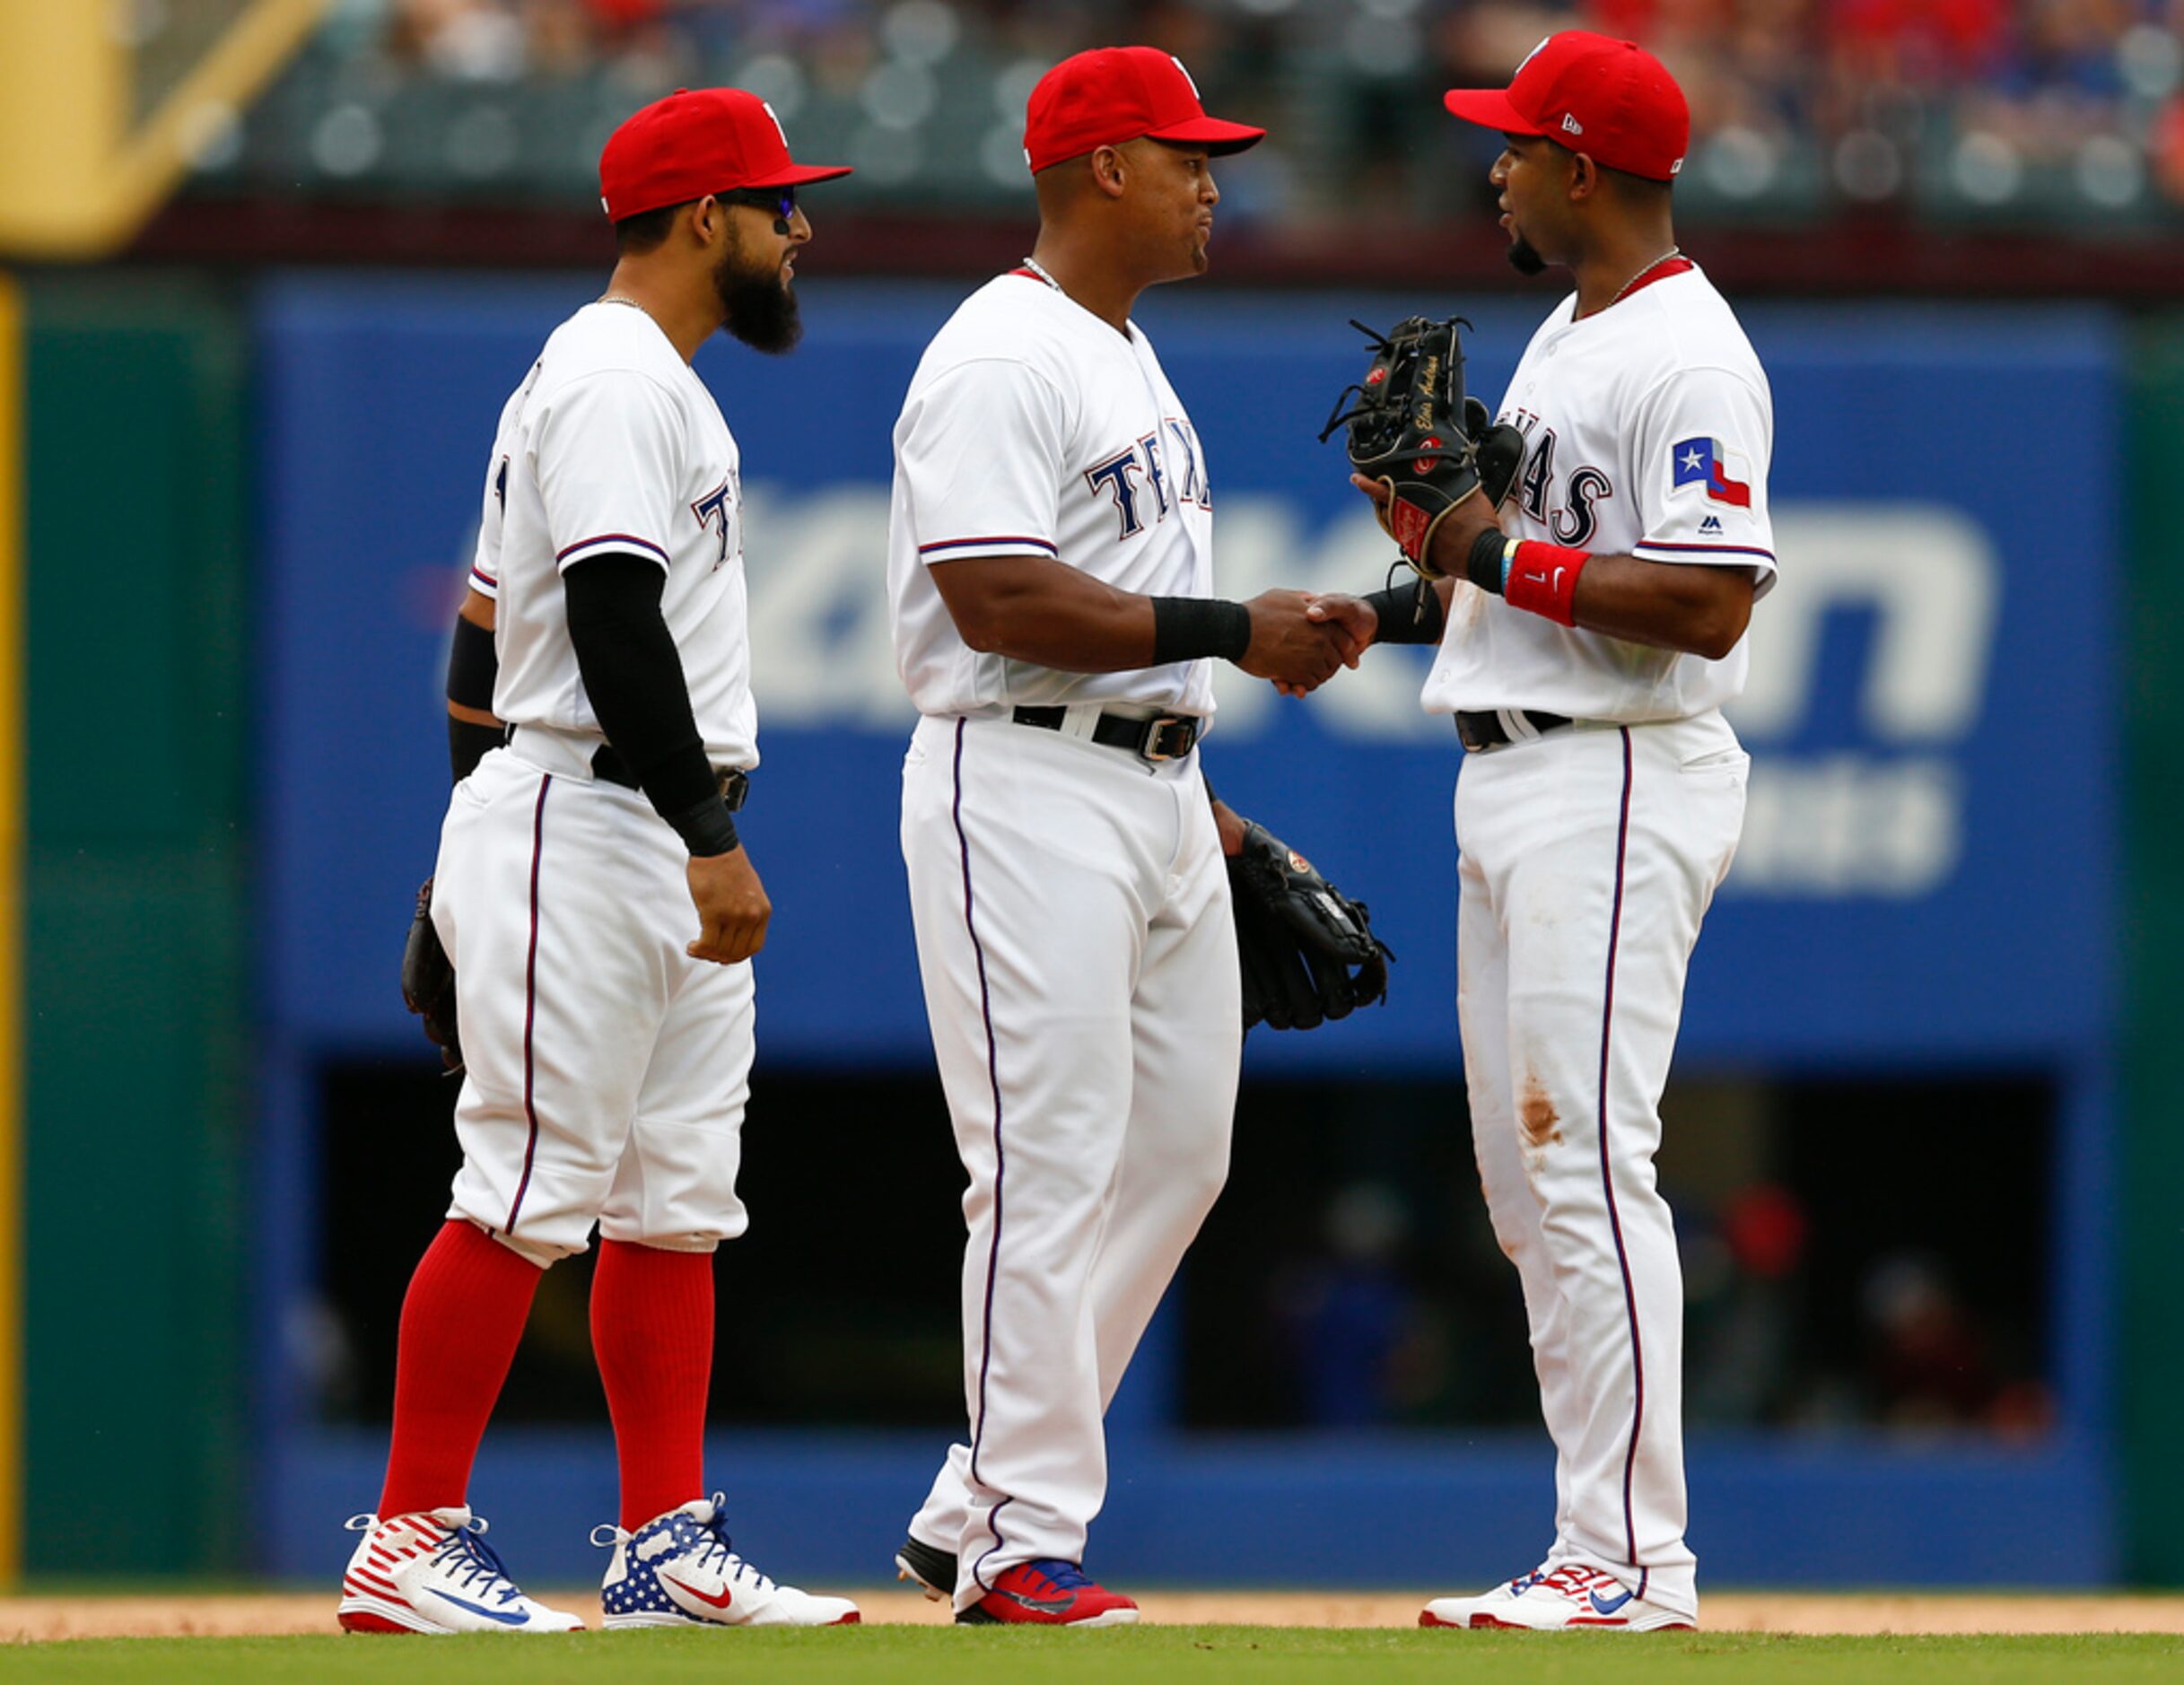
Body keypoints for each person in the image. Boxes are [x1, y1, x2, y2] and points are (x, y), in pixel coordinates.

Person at [336, 88, 862, 1635]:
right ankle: (410, 1534)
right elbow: (612, 624)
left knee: (674, 1198)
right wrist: (708, 837)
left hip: (607, 812)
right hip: (601, 807)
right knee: (523, 1183)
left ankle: (664, 1543)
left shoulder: (630, 379)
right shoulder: (618, 378)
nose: (799, 229)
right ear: (706, 217)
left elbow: (479, 633)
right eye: (778, 205)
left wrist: (450, 873)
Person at [1311, 31, 1775, 1634]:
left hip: (1617, 770)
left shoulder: (1686, 354)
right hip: (1514, 763)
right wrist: (1404, 581)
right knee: (1527, 1191)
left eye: (1512, 145)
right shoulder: (1562, 333)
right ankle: (1592, 1538)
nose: (1489, 166)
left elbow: (1706, 606)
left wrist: (1486, 552)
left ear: (1582, 166)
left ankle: (1637, 1559)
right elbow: (1498, 568)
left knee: (1585, 1158)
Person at [882, 46, 1347, 1627]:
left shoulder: (1125, 353)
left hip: (1144, 786)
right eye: (1186, 156)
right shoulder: (1001, 352)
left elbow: (1114, 619)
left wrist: (1197, 804)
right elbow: (993, 595)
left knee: (1176, 1154)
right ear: (1100, 167)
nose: (1213, 181)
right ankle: (1019, 1535)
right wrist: (1232, 626)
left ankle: (975, 1497)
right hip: (1015, 777)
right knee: (1042, 1161)